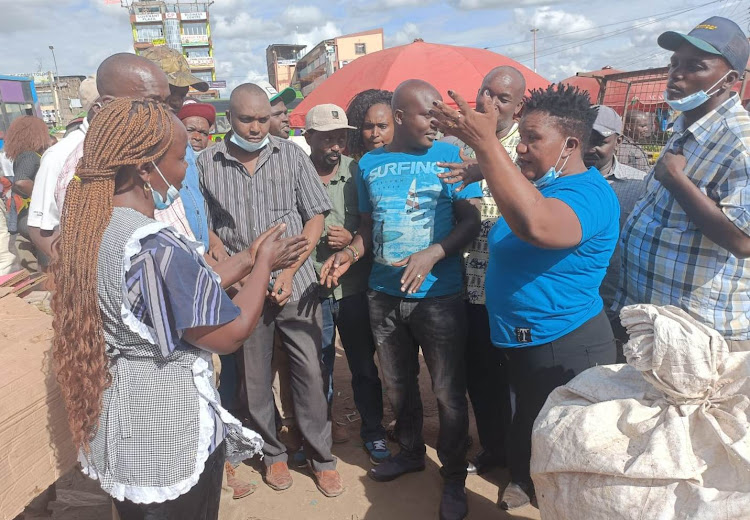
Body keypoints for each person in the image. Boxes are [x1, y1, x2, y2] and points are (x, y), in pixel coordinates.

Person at [51, 97, 308, 520]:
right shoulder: (153, 244)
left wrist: (244, 257)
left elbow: (173, 299)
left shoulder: (93, 228)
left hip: (121, 424)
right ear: (143, 168)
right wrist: (264, 265)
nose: (187, 165)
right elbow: (229, 333)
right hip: (165, 434)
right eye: (180, 156)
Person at [430, 83, 619, 509]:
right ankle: (523, 477)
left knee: (568, 445)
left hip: (566, 343)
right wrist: (482, 162)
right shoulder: (547, 186)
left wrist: (483, 144)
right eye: (523, 138)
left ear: (571, 144)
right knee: (528, 420)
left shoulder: (588, 194)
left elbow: (539, 226)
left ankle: (544, 493)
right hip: (526, 339)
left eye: (534, 139)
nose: (521, 149)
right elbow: (519, 193)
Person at [321, 79, 482, 520]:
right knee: (397, 382)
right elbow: (369, 229)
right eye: (426, 113)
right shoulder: (370, 164)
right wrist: (352, 252)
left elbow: (470, 222)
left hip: (440, 296)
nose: (435, 121)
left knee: (448, 392)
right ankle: (410, 452)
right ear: (399, 117)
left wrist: (434, 252)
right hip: (383, 295)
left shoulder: (452, 157)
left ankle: (452, 475)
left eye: (436, 112)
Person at [197, 83, 343, 497]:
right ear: (230, 119)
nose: (257, 127)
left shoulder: (291, 155)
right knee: (255, 379)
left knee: (310, 373)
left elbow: (315, 217)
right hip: (244, 288)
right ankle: (274, 454)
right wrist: (230, 262)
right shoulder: (207, 163)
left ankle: (321, 458)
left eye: (263, 118)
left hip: (294, 284)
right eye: (247, 119)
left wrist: (288, 270)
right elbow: (204, 223)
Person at [615, 17, 750, 352]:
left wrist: (677, 180)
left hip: (701, 334)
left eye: (695, 66)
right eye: (674, 63)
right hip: (654, 319)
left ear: (730, 80)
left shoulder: (740, 142)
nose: (677, 74)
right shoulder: (685, 126)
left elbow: (744, 241)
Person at [439, 66, 524, 476]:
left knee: (515, 381)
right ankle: (493, 449)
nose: (489, 103)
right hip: (467, 282)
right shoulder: (454, 144)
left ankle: (521, 460)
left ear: (518, 106)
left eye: (502, 98)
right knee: (479, 376)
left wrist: (484, 166)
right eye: (485, 93)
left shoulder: (529, 144)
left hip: (513, 286)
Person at [305, 103, 390, 463]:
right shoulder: (296, 173)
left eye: (340, 138)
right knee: (317, 366)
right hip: (311, 288)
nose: (335, 146)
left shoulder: (358, 171)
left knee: (363, 365)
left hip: (353, 287)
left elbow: (372, 223)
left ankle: (373, 430)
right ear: (309, 138)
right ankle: (322, 433)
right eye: (327, 138)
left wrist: (351, 240)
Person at [28, 53, 171, 259]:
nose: (164, 113)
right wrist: (79, 274)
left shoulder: (152, 145)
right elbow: (41, 228)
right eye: (153, 103)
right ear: (106, 104)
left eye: (165, 103)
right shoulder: (62, 157)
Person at [583, 105, 647, 358]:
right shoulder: (555, 180)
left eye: (600, 141)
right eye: (584, 138)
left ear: (618, 141)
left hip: (616, 300)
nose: (589, 148)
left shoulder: (639, 184)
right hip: (572, 301)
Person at [141, 45, 214, 251]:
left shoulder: (180, 139)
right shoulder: (135, 149)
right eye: (171, 91)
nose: (176, 100)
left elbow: (189, 202)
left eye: (182, 93)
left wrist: (210, 240)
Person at [4, 116, 54, 271]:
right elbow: (21, 182)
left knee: (46, 258)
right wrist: (45, 197)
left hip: (29, 217)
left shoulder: (26, 155)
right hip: (33, 218)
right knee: (50, 259)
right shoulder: (29, 155)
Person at [345, 89, 394, 160]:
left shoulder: (410, 161)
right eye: (369, 126)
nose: (374, 134)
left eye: (382, 126)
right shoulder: (352, 166)